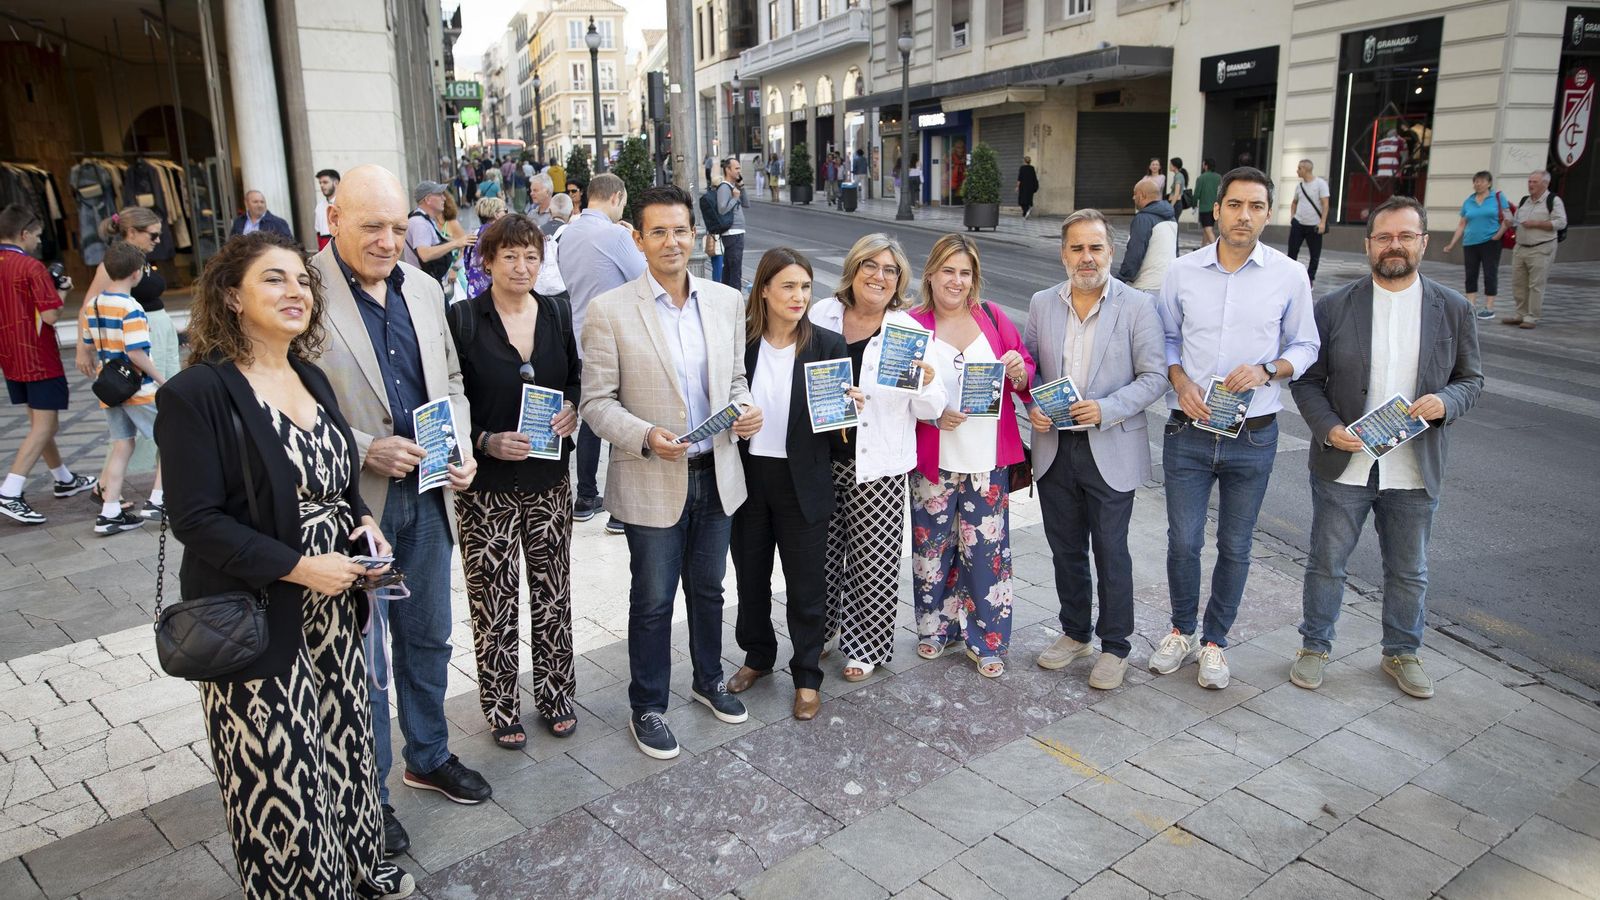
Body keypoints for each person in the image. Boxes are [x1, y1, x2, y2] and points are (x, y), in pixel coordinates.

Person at [155, 231, 410, 898]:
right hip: (262, 612)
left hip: (336, 607)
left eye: (301, 279)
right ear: (232, 297)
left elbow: (338, 480)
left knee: (346, 747)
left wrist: (363, 522)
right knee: (281, 774)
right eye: (274, 279)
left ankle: (361, 866)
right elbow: (197, 520)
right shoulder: (198, 394)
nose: (295, 291)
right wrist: (301, 567)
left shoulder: (311, 374)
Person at [311, 165, 488, 858]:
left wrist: (462, 443)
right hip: (353, 507)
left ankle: (428, 753)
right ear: (334, 222)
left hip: (428, 495)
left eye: (395, 227)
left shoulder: (420, 284)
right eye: (371, 227)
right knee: (362, 661)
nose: (388, 241)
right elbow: (280, 401)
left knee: (428, 635)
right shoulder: (303, 291)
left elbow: (447, 377)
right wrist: (363, 449)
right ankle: (366, 792)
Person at [579, 184, 763, 759]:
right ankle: (648, 706)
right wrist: (644, 437)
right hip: (651, 473)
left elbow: (734, 381)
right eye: (657, 231)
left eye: (679, 230)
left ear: (696, 235)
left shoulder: (725, 301)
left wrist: (746, 408)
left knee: (709, 589)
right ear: (637, 239)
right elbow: (596, 403)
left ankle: (708, 680)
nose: (670, 241)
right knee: (654, 598)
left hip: (717, 470)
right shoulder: (610, 311)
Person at [1289, 196, 1483, 699]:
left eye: (1405, 236)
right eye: (1384, 237)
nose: (1393, 245)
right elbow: (1308, 381)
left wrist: (1446, 401)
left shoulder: (1453, 308)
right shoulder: (1333, 306)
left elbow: (1471, 379)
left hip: (1413, 470)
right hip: (1345, 463)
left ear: (1424, 242)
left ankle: (1402, 652)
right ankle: (1314, 647)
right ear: (1368, 243)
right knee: (1326, 562)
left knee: (1408, 569)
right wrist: (1329, 429)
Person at [1152, 166, 1320, 690]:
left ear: (1269, 214)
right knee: (1183, 540)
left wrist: (1269, 369)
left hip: (1255, 433)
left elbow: (1307, 347)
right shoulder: (1182, 272)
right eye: (1235, 205)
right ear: (1217, 209)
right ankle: (1181, 629)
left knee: (1236, 545)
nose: (1244, 216)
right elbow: (1165, 339)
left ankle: (1214, 642)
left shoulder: (1289, 275)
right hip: (1190, 427)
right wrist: (1179, 382)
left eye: (1256, 207)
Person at [447, 214, 581, 746]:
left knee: (553, 592)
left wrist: (571, 408)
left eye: (531, 256)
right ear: (487, 261)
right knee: (493, 599)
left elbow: (572, 375)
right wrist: (483, 440)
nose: (523, 266)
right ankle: (501, 704)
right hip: (487, 489)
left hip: (549, 479)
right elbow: (448, 397)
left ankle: (556, 694)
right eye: (510, 257)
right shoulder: (462, 319)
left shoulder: (556, 311)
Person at [1028, 210, 1168, 690]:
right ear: (1063, 253)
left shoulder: (1136, 306)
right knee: (1065, 549)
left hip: (1110, 445)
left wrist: (1106, 408)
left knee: (1111, 550)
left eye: (1096, 248)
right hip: (1054, 449)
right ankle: (1075, 633)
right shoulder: (1042, 302)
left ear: (1111, 252)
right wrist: (1033, 405)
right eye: (1077, 248)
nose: (1086, 257)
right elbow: (1030, 369)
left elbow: (1155, 377)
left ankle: (1115, 645)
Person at [807, 234, 944, 682]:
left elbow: (931, 410)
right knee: (820, 556)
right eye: (870, 265)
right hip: (821, 459)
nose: (879, 276)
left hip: (879, 465)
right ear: (854, 268)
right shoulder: (821, 316)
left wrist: (925, 382)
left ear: (899, 280)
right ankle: (822, 631)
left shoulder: (909, 332)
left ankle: (866, 644)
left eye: (890, 270)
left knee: (874, 561)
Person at [728, 248, 850, 720]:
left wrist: (848, 410)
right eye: (788, 287)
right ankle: (758, 656)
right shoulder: (741, 343)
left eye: (805, 287)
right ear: (763, 290)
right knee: (750, 577)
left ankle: (806, 676)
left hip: (804, 481)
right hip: (749, 478)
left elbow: (841, 434)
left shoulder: (827, 344)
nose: (799, 296)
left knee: (806, 586)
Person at [908, 234, 1035, 678]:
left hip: (986, 458)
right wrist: (929, 413)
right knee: (931, 547)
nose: (956, 281)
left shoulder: (993, 318)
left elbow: (1022, 371)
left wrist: (1020, 368)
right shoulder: (911, 323)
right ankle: (935, 630)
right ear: (931, 274)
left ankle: (987, 638)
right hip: (934, 458)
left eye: (965, 273)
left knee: (987, 552)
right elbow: (897, 391)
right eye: (948, 270)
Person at [79, 207, 178, 520]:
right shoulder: (121, 278)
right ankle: (157, 497)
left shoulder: (131, 270)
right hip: (136, 359)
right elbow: (133, 351)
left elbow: (90, 317)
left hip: (135, 354)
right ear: (131, 232)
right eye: (152, 235)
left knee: (124, 440)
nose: (157, 241)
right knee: (169, 431)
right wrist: (161, 379)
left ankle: (110, 509)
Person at [559, 173, 645, 527]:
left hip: (579, 336)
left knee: (594, 415)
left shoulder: (567, 233)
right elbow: (645, 277)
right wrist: (631, 240)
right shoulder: (615, 235)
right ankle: (619, 510)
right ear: (616, 197)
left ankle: (585, 496)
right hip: (616, 338)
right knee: (620, 415)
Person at [0, 205, 93, 525]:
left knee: (42, 423)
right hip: (38, 355)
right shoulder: (31, 267)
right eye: (37, 235)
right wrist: (62, 290)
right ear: (24, 233)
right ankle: (10, 491)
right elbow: (52, 315)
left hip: (10, 355)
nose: (39, 241)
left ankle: (63, 478)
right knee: (44, 426)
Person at [1441, 171, 1511, 321]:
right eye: (1475, 181)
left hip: (1490, 242)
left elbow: (1508, 219)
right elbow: (1462, 224)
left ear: (1489, 183)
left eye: (1481, 181)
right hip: (1470, 242)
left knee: (1490, 273)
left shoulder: (1497, 197)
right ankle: (1471, 305)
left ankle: (1489, 307)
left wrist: (1498, 236)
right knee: (1470, 274)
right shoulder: (1469, 201)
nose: (1477, 184)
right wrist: (1452, 243)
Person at [1505, 169, 1566, 330]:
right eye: (1530, 181)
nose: (1531, 185)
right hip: (1521, 247)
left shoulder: (1553, 200)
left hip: (1541, 248)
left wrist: (1537, 224)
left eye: (1535, 182)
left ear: (1545, 184)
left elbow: (1561, 222)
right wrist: (1509, 222)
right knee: (1518, 283)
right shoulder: (1525, 200)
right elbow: (1518, 220)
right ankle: (1520, 314)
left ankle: (1531, 316)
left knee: (1536, 284)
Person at [404, 182, 475, 283]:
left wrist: (458, 241)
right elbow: (425, 254)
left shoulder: (425, 219)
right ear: (428, 199)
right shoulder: (420, 223)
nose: (444, 198)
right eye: (439, 195)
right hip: (424, 283)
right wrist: (456, 243)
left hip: (427, 280)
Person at [1119, 178, 1176, 292]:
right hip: (1167, 286)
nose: (1133, 198)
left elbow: (1135, 253)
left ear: (1142, 195)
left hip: (1145, 287)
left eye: (1135, 194)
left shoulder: (1143, 218)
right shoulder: (1172, 218)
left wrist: (1120, 280)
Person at [1287, 159, 1330, 285]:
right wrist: (1292, 217)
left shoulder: (1320, 184)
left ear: (1306, 169)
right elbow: (1294, 202)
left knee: (1314, 254)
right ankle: (1290, 277)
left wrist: (1322, 223)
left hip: (1314, 225)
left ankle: (1310, 279)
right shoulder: (1299, 186)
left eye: (1299, 168)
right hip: (1298, 223)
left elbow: (1325, 204)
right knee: (1292, 252)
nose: (1297, 171)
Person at [463, 196, 507, 297]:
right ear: (496, 215)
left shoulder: (476, 232)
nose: (506, 213)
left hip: (474, 287)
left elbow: (466, 259)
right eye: (505, 210)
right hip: (492, 289)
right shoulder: (499, 234)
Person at [717, 157, 746, 292]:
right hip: (732, 233)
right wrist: (734, 198)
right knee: (735, 270)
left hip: (737, 232)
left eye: (739, 168)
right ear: (728, 170)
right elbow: (722, 209)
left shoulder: (734, 187)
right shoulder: (724, 187)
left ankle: (727, 295)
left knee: (730, 268)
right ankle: (736, 299)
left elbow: (746, 204)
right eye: (736, 168)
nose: (739, 171)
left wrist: (742, 188)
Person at [229, 191, 295, 240]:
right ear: (246, 203)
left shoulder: (278, 223)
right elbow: (231, 244)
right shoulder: (238, 222)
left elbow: (289, 245)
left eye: (262, 202)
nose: (259, 205)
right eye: (255, 202)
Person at [1193, 158, 1221, 245]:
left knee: (1208, 229)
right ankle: (1203, 249)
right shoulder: (1219, 177)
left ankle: (1216, 249)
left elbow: (1197, 193)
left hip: (1205, 207)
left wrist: (1193, 205)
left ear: (1206, 166)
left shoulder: (1201, 178)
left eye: (1203, 164)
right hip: (1216, 207)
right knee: (1207, 229)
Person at [315, 168, 340, 249]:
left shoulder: (345, 204)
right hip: (325, 249)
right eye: (320, 183)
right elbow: (318, 233)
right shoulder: (319, 207)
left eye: (325, 182)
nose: (321, 185)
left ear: (336, 183)